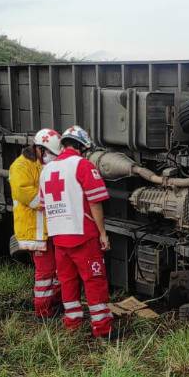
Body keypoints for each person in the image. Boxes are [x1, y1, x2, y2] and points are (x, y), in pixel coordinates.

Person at [39, 125, 113, 337]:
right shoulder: (83, 165)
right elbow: (95, 202)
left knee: (67, 281)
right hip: (82, 234)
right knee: (94, 280)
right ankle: (102, 328)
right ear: (82, 147)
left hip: (58, 237)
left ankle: (72, 323)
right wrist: (103, 233)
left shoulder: (46, 171)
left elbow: (44, 206)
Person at [9, 128, 63, 318]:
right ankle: (44, 312)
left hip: (50, 229)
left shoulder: (44, 164)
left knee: (58, 271)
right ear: (39, 149)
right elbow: (28, 196)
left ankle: (56, 305)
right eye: (50, 153)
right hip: (36, 232)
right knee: (45, 274)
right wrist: (57, 202)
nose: (52, 157)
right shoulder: (20, 166)